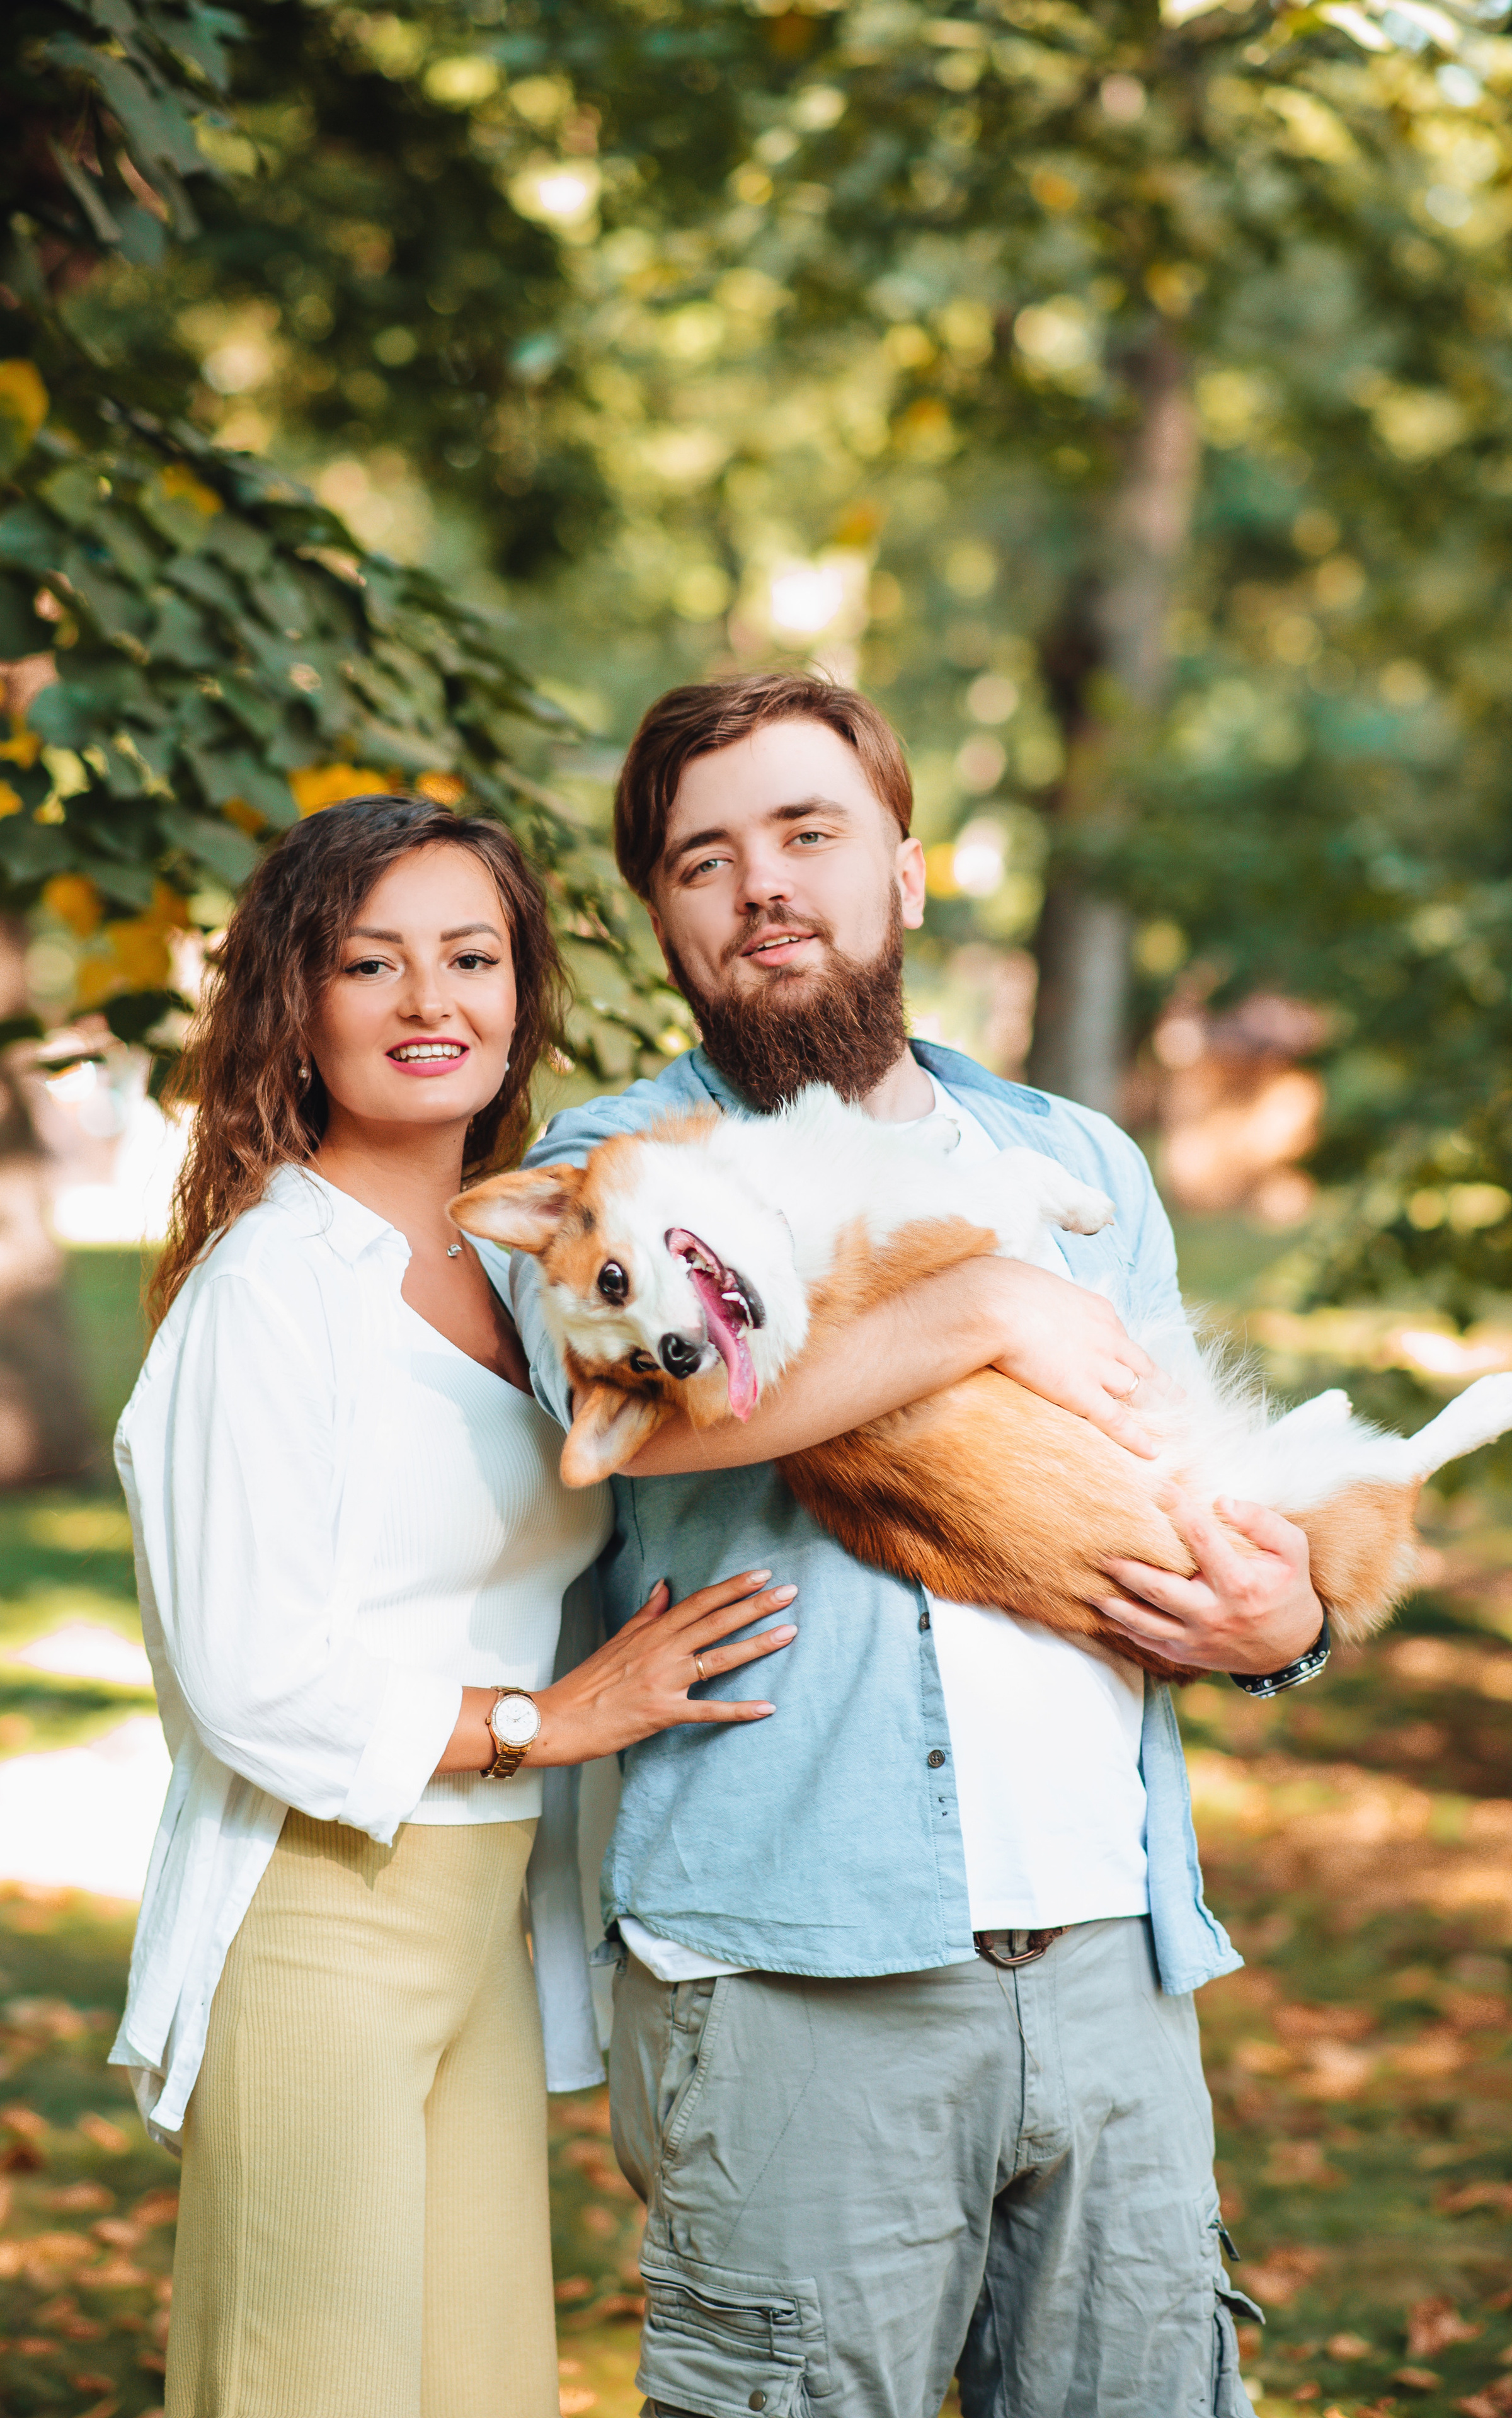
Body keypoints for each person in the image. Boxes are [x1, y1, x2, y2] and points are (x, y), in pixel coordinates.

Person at [510, 675, 1332, 2418]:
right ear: (661, 916)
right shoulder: (610, 1176)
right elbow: (680, 1404)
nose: (765, 888)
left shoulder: (1069, 1157)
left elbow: (1184, 1459)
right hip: (795, 1972)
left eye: (809, 833)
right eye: (704, 860)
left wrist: (1289, 1613)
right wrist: (980, 1304)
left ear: (909, 867)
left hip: (1109, 1956)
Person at [107, 794, 798, 2418]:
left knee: (477, 2381)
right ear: (299, 1000)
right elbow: (246, 1674)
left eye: (472, 958)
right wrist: (550, 1723)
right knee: (310, 2384)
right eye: (375, 964)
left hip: (482, 1917)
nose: (434, 1004)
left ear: (518, 993)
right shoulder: (273, 1287)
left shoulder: (530, 1272)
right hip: (319, 1898)